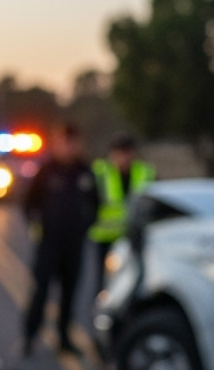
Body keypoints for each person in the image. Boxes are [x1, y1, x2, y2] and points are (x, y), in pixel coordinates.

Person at [20, 122, 99, 355]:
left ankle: (64, 338)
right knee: (41, 293)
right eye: (64, 142)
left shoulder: (85, 172)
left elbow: (96, 205)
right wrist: (37, 228)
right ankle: (29, 337)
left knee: (69, 294)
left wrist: (85, 226)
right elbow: (29, 204)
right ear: (57, 144)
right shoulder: (46, 172)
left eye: (73, 143)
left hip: (73, 245)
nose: (69, 147)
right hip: (48, 245)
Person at [88, 132, 156, 275]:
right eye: (119, 153)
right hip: (106, 237)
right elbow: (88, 202)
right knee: (106, 278)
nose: (123, 158)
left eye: (126, 153)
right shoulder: (100, 172)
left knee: (135, 276)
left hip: (135, 235)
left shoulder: (145, 172)